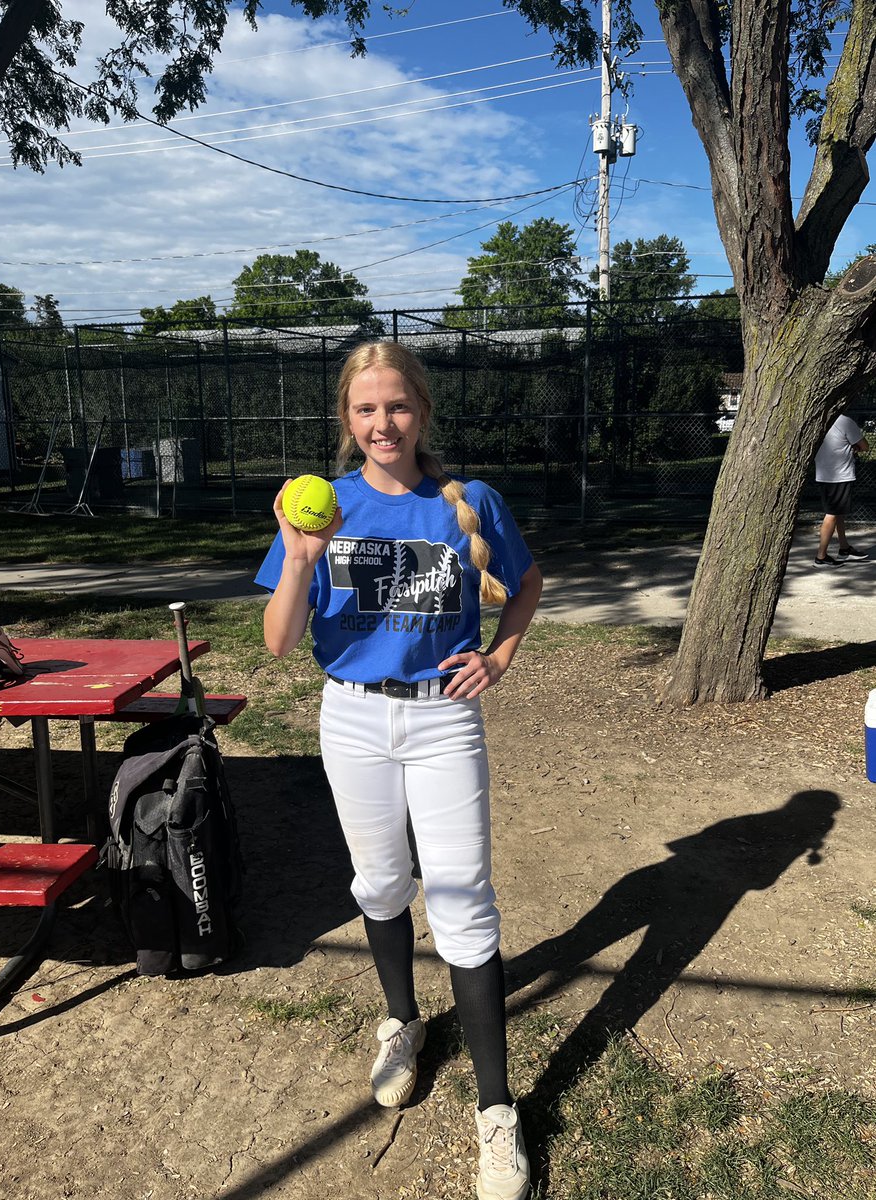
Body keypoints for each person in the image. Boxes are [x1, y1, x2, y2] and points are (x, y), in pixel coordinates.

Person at [256, 341, 542, 1200]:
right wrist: (301, 555)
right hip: (351, 715)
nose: (383, 423)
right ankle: (403, 1022)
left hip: (443, 719)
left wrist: (500, 658)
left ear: (422, 412)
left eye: (398, 407)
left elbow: (526, 586)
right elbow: (276, 642)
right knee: (380, 882)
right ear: (347, 421)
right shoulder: (322, 509)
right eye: (365, 410)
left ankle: (497, 1112)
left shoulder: (470, 502)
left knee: (462, 897)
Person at [814, 412, 870, 567]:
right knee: (832, 514)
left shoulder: (819, 419)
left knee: (838, 513)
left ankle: (844, 548)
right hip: (839, 475)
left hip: (823, 474)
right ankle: (821, 557)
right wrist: (854, 447)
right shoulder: (844, 421)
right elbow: (865, 446)